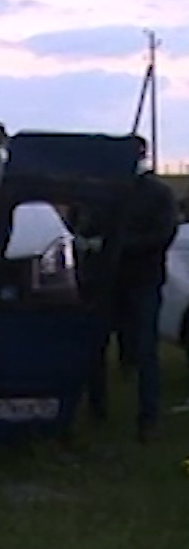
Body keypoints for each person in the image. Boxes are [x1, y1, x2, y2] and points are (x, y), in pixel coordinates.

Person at [111, 138, 181, 442]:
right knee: (95, 346)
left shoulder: (158, 193)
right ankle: (98, 411)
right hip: (110, 280)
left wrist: (120, 247)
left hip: (143, 279)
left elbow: (163, 233)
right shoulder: (111, 192)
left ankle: (149, 419)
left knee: (146, 349)